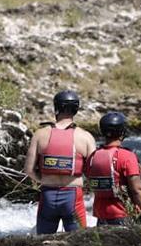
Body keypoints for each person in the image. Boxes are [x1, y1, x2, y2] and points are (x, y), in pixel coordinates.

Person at [23, 89, 96, 234]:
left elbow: (29, 170)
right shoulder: (86, 137)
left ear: (56, 107)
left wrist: (42, 179)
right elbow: (94, 172)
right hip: (73, 196)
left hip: (47, 196)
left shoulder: (40, 135)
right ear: (76, 109)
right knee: (78, 243)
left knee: (42, 243)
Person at [85, 111, 141, 226]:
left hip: (101, 218)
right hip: (125, 216)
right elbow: (137, 189)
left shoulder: (93, 157)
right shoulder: (127, 156)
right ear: (123, 132)